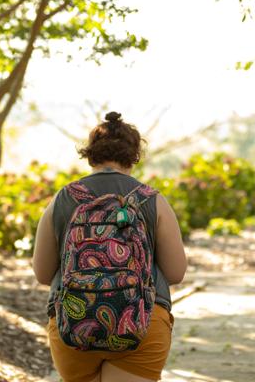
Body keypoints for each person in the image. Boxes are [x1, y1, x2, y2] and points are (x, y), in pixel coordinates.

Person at [32, 112, 187, 382]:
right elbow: (175, 273)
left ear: (89, 154)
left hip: (74, 326)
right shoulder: (151, 200)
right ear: (134, 155)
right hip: (142, 322)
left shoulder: (63, 199)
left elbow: (43, 274)